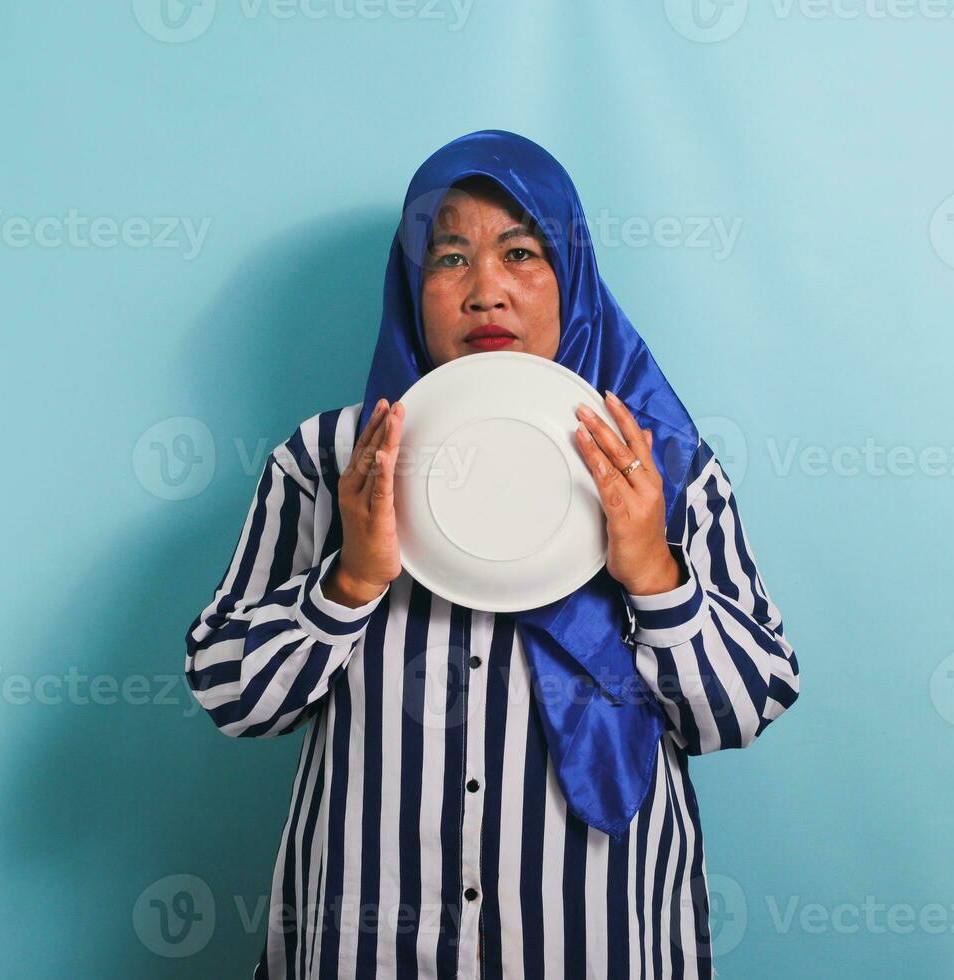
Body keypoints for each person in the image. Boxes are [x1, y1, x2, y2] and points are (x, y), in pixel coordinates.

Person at [184, 130, 801, 979]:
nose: (486, 293)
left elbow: (742, 708)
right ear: (411, 287)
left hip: (601, 945)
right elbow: (229, 693)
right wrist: (351, 579)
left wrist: (652, 573)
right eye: (449, 259)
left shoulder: (660, 465)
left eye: (521, 252)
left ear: (571, 281)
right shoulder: (329, 462)